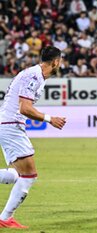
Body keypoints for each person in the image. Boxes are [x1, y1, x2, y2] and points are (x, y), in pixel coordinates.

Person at [0, 46, 66, 229]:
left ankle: (5, 217)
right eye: (60, 61)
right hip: (11, 125)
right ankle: (5, 218)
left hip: (9, 125)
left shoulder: (37, 75)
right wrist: (50, 119)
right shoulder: (34, 76)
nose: (60, 64)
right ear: (55, 62)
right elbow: (25, 108)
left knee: (18, 175)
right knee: (29, 174)